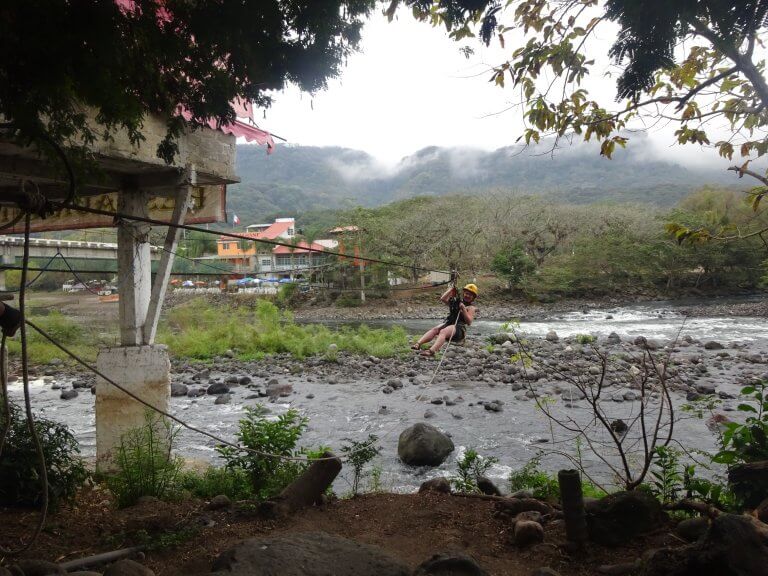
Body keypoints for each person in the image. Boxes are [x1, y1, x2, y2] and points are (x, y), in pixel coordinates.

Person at [412, 283, 478, 357]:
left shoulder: (471, 308)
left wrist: (463, 309)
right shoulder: (457, 302)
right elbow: (443, 299)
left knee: (443, 331)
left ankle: (431, 351)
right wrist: (451, 290)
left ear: (473, 297)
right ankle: (418, 344)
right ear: (463, 293)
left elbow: (469, 322)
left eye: (470, 295)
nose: (467, 296)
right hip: (449, 324)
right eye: (466, 293)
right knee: (435, 329)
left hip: (459, 329)